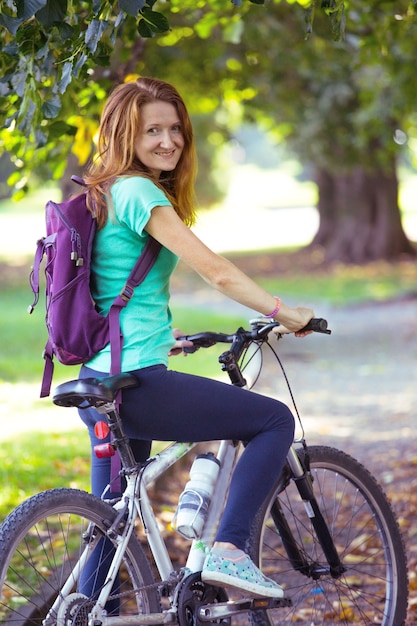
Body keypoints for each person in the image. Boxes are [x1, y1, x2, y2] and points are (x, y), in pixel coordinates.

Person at [78, 76, 314, 599]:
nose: (168, 141)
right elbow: (217, 272)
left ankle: (86, 609)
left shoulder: (104, 191)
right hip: (136, 383)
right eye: (151, 131)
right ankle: (230, 550)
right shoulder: (139, 190)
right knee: (273, 420)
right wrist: (285, 312)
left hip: (98, 377)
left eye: (175, 129)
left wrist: (164, 338)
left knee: (108, 526)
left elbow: (112, 286)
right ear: (124, 135)